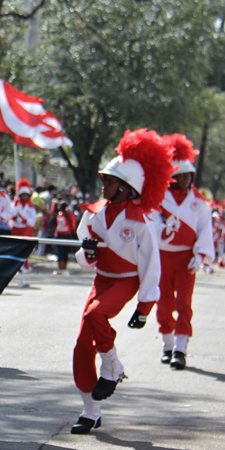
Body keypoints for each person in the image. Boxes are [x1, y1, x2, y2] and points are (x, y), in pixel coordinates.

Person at [70, 129, 173, 434]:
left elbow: (151, 265)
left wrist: (144, 306)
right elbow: (87, 262)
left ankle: (112, 365)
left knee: (94, 314)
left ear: (127, 188)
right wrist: (87, 253)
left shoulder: (142, 222)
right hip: (101, 281)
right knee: (80, 347)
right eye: (104, 179)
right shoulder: (92, 215)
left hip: (126, 282)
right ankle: (91, 411)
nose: (104, 184)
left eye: (111, 180)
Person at [153, 134, 214, 371]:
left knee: (183, 303)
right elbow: (151, 224)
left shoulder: (199, 202)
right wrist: (163, 230)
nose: (185, 179)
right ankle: (167, 346)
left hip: (186, 257)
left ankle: (181, 350)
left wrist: (200, 255)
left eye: (189, 175)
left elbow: (204, 230)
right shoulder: (159, 198)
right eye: (181, 175)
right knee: (164, 302)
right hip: (162, 256)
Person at [9, 179, 37, 276]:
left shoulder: (31, 208)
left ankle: (25, 270)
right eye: (22, 195)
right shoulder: (15, 204)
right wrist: (14, 209)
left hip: (26, 230)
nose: (24, 197)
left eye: (26, 195)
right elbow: (10, 215)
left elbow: (33, 222)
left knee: (25, 252)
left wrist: (24, 221)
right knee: (15, 250)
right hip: (16, 230)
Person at [52, 201, 77, 275]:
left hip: (66, 235)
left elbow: (72, 219)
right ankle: (60, 268)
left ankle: (64, 268)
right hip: (59, 235)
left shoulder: (67, 214)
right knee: (59, 252)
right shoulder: (58, 214)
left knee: (65, 252)